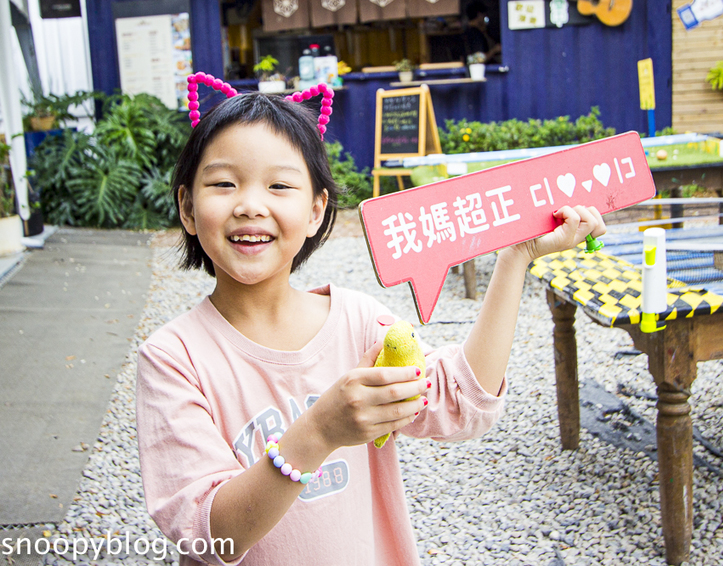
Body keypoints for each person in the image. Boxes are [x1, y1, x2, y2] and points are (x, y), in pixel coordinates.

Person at [136, 79, 605, 565]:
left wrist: (518, 257)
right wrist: (317, 432)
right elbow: (211, 538)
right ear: (188, 208)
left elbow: (464, 401)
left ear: (317, 210)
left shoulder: (360, 324)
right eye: (223, 183)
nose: (251, 204)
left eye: (279, 185)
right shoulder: (174, 360)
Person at [463, 0, 501, 64]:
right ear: (479, 15)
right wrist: (495, 50)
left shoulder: (466, 32)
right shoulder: (475, 34)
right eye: (484, 15)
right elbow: (478, 58)